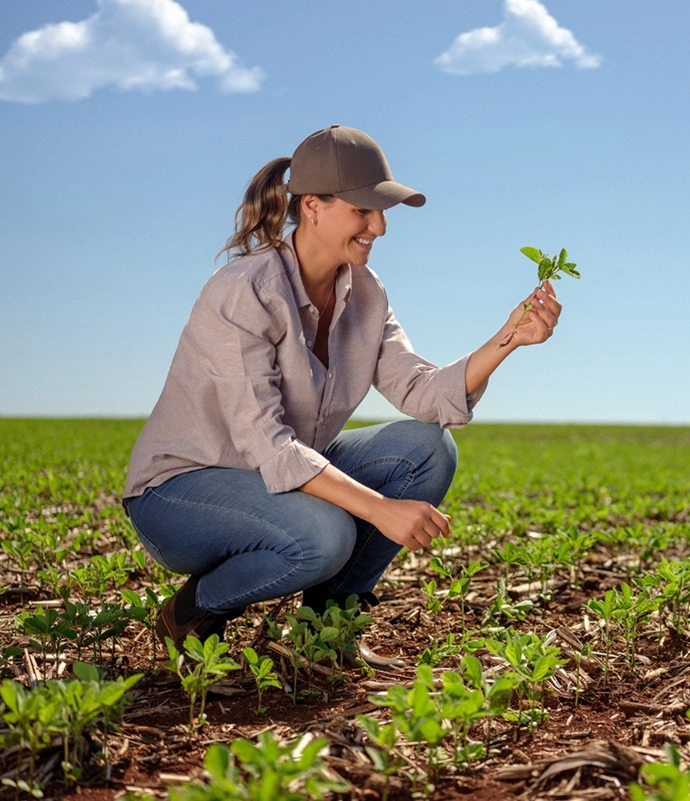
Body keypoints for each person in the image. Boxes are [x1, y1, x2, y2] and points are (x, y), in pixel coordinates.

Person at [123, 125, 562, 667]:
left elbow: (422, 391)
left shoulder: (366, 291)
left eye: (383, 212)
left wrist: (509, 339)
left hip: (278, 477)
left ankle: (328, 626)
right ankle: (194, 609)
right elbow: (268, 444)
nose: (379, 226)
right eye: (363, 211)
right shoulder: (245, 291)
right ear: (312, 206)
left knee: (427, 446)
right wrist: (381, 510)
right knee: (325, 536)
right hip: (180, 493)